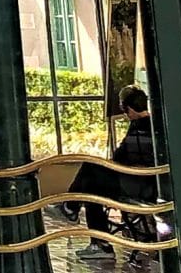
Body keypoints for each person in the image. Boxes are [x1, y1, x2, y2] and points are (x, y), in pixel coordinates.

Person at [68, 88, 162, 253]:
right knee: (91, 183)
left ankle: (72, 209)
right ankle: (72, 209)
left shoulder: (137, 129)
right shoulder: (155, 126)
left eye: (124, 110)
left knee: (91, 181)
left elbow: (119, 157)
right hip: (142, 182)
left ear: (130, 109)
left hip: (139, 185)